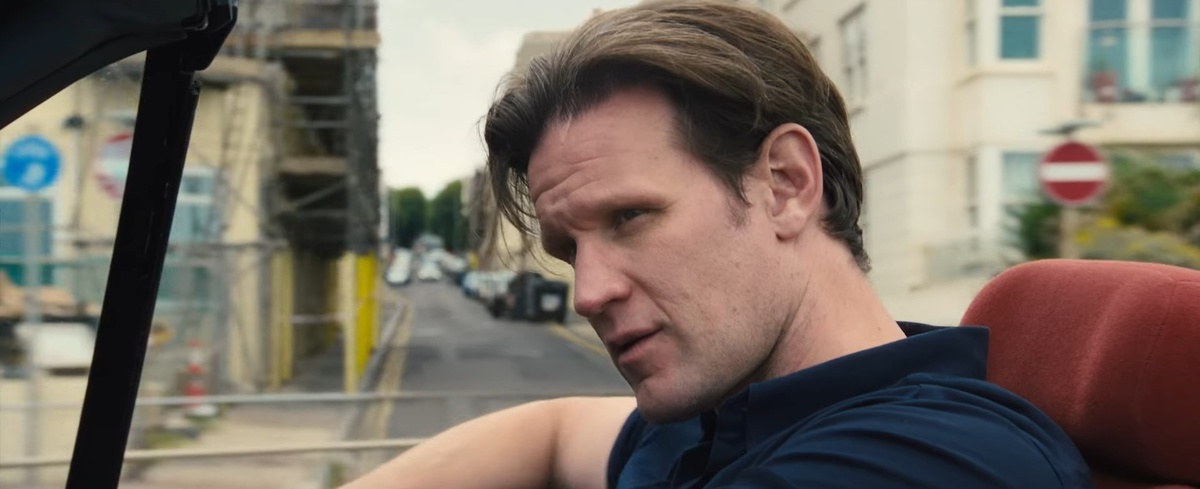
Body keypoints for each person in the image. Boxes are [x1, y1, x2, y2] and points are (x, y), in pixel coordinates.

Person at [344, 1, 1092, 487]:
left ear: (786, 183)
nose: (589, 293)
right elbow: (552, 428)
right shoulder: (725, 405)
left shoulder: (926, 459)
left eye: (630, 217)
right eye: (570, 249)